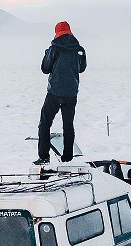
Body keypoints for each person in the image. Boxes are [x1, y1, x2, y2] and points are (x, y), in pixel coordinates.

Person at [34, 21, 87, 165]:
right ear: (70, 31)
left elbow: (45, 68)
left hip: (55, 93)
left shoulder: (54, 48)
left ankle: (44, 157)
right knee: (68, 125)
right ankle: (68, 158)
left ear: (57, 33)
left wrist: (47, 54)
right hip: (71, 94)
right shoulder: (79, 49)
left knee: (44, 124)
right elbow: (81, 68)